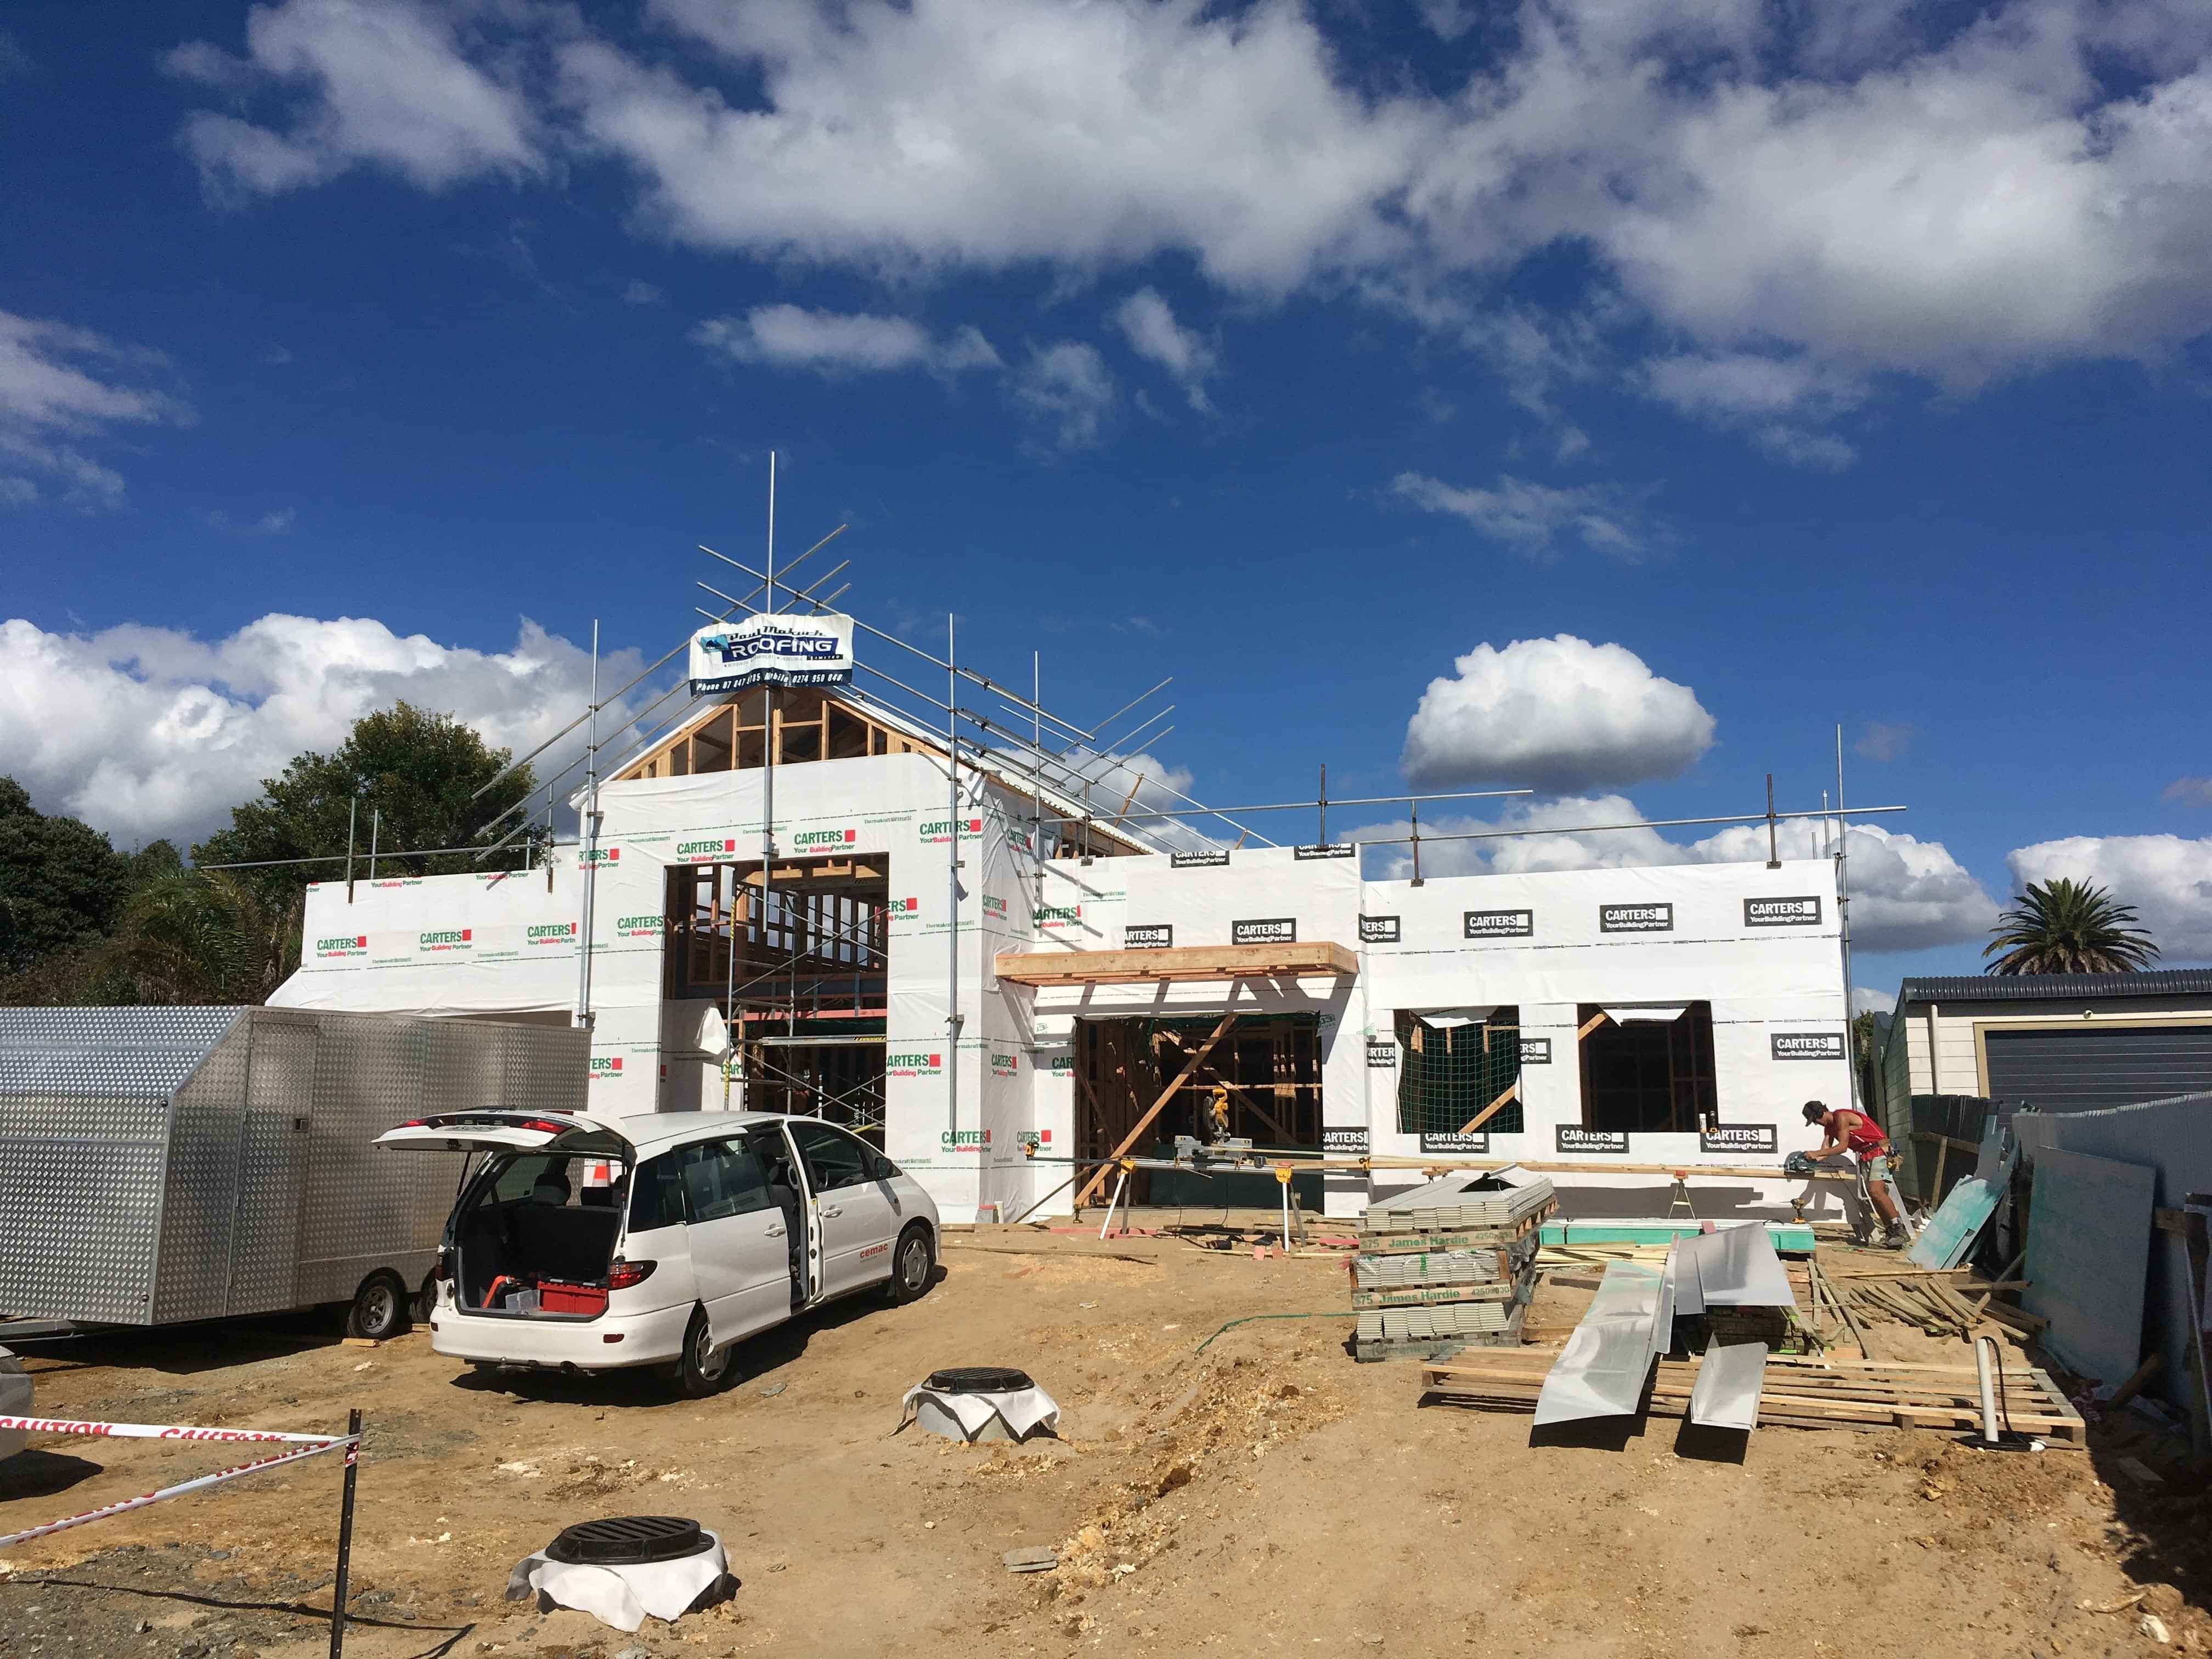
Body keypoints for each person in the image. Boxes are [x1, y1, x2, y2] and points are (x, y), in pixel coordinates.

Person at [1803, 1100, 1908, 1246]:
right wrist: (1808, 1162)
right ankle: (1891, 1233)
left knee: (1876, 1191)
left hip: (1880, 1151)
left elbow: (1843, 1147)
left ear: (1820, 1113)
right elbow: (1825, 1151)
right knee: (1874, 1194)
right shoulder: (1829, 1129)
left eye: (1815, 1120)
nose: (1816, 1124)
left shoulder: (1842, 1117)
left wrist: (1816, 1153)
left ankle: (1900, 1230)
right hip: (1867, 1155)